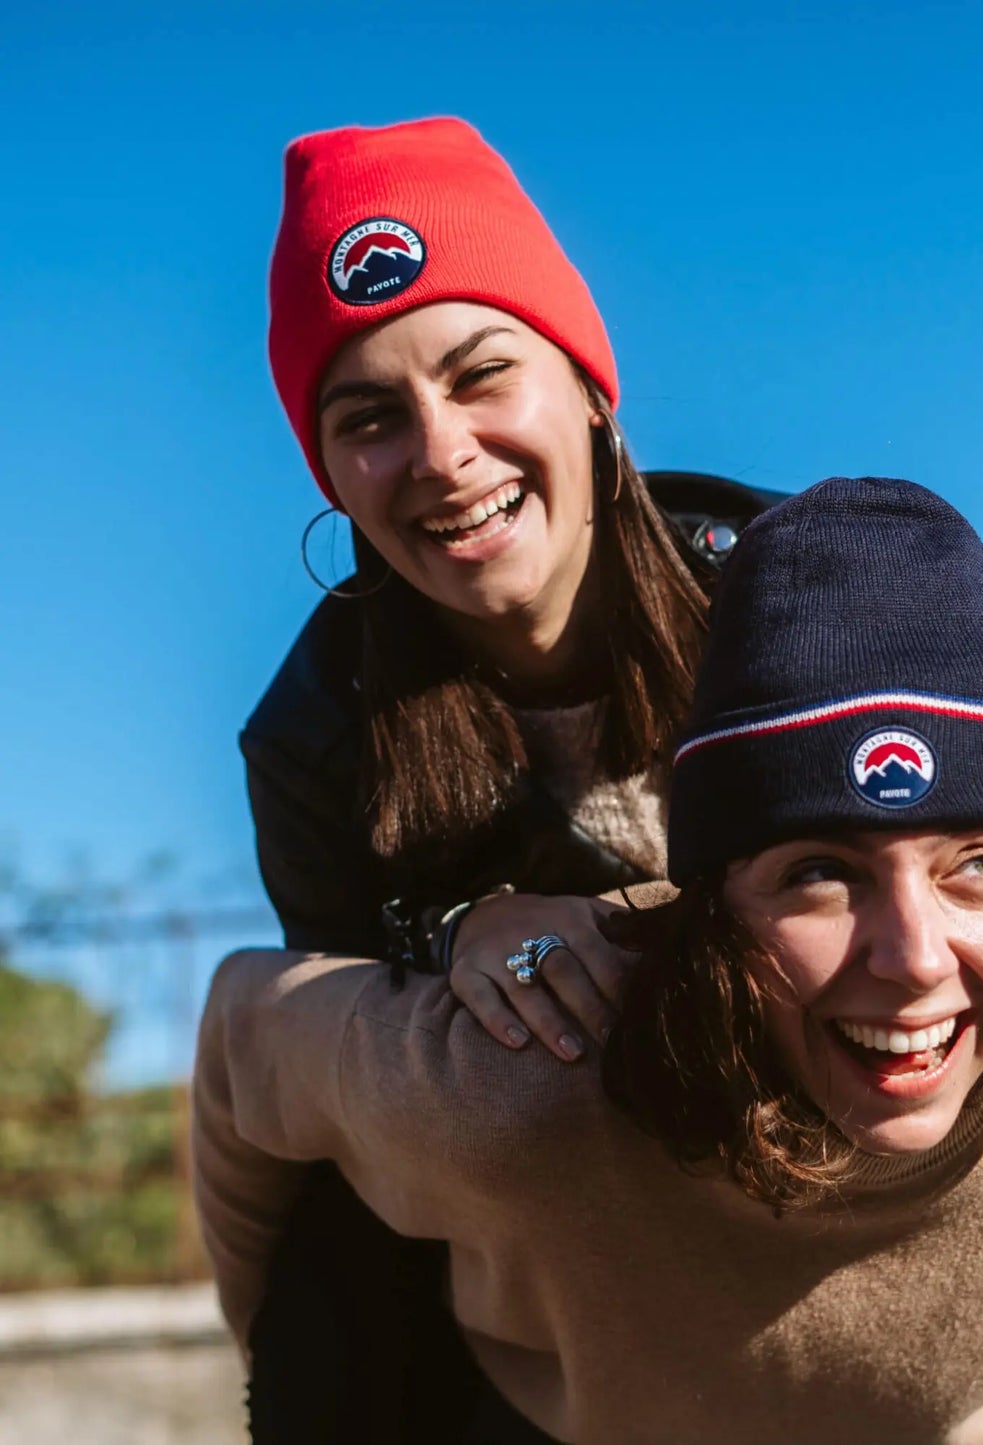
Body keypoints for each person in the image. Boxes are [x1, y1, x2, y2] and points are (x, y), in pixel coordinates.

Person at [198, 476, 983, 1444]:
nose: (910, 956)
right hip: (592, 1412)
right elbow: (248, 1031)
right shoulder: (525, 1077)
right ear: (701, 911)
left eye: (977, 861)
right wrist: (458, 922)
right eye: (817, 872)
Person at [243, 117, 784, 1438]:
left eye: (483, 374)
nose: (439, 454)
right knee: (327, 1293)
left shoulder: (791, 587)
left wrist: (636, 928)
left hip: (848, 1113)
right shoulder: (316, 730)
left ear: (591, 390)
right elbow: (347, 1056)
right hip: (556, 1205)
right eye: (370, 419)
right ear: (335, 479)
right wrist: (453, 926)